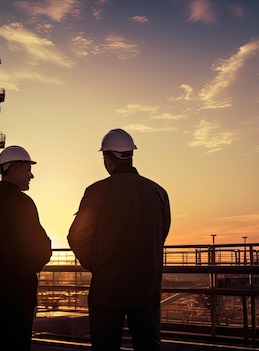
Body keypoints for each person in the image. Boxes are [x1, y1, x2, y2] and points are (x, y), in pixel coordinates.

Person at [67, 129, 171, 351]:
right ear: (131, 156)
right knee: (148, 346)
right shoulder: (158, 192)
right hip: (146, 289)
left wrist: (98, 264)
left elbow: (77, 236)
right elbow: (161, 232)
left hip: (107, 291)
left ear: (107, 158)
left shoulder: (96, 191)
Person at [0, 145, 52, 351]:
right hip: (19, 293)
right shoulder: (23, 203)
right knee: (18, 344)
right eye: (27, 170)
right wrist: (35, 264)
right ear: (14, 170)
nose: (31, 175)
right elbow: (41, 246)